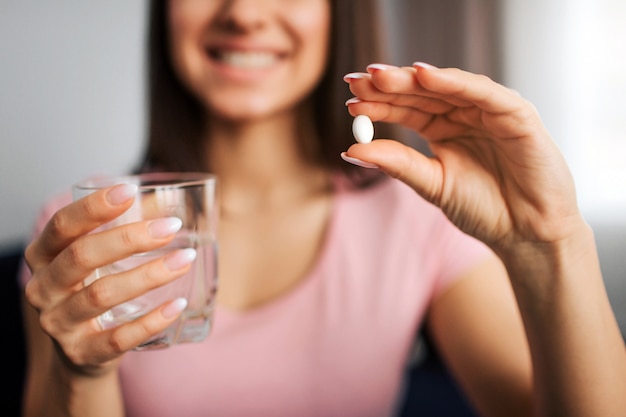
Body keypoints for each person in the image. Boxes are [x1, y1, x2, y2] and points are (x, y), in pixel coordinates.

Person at [19, 1, 626, 416]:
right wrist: (83, 373)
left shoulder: (416, 220)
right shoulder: (84, 231)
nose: (245, 13)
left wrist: (552, 242)